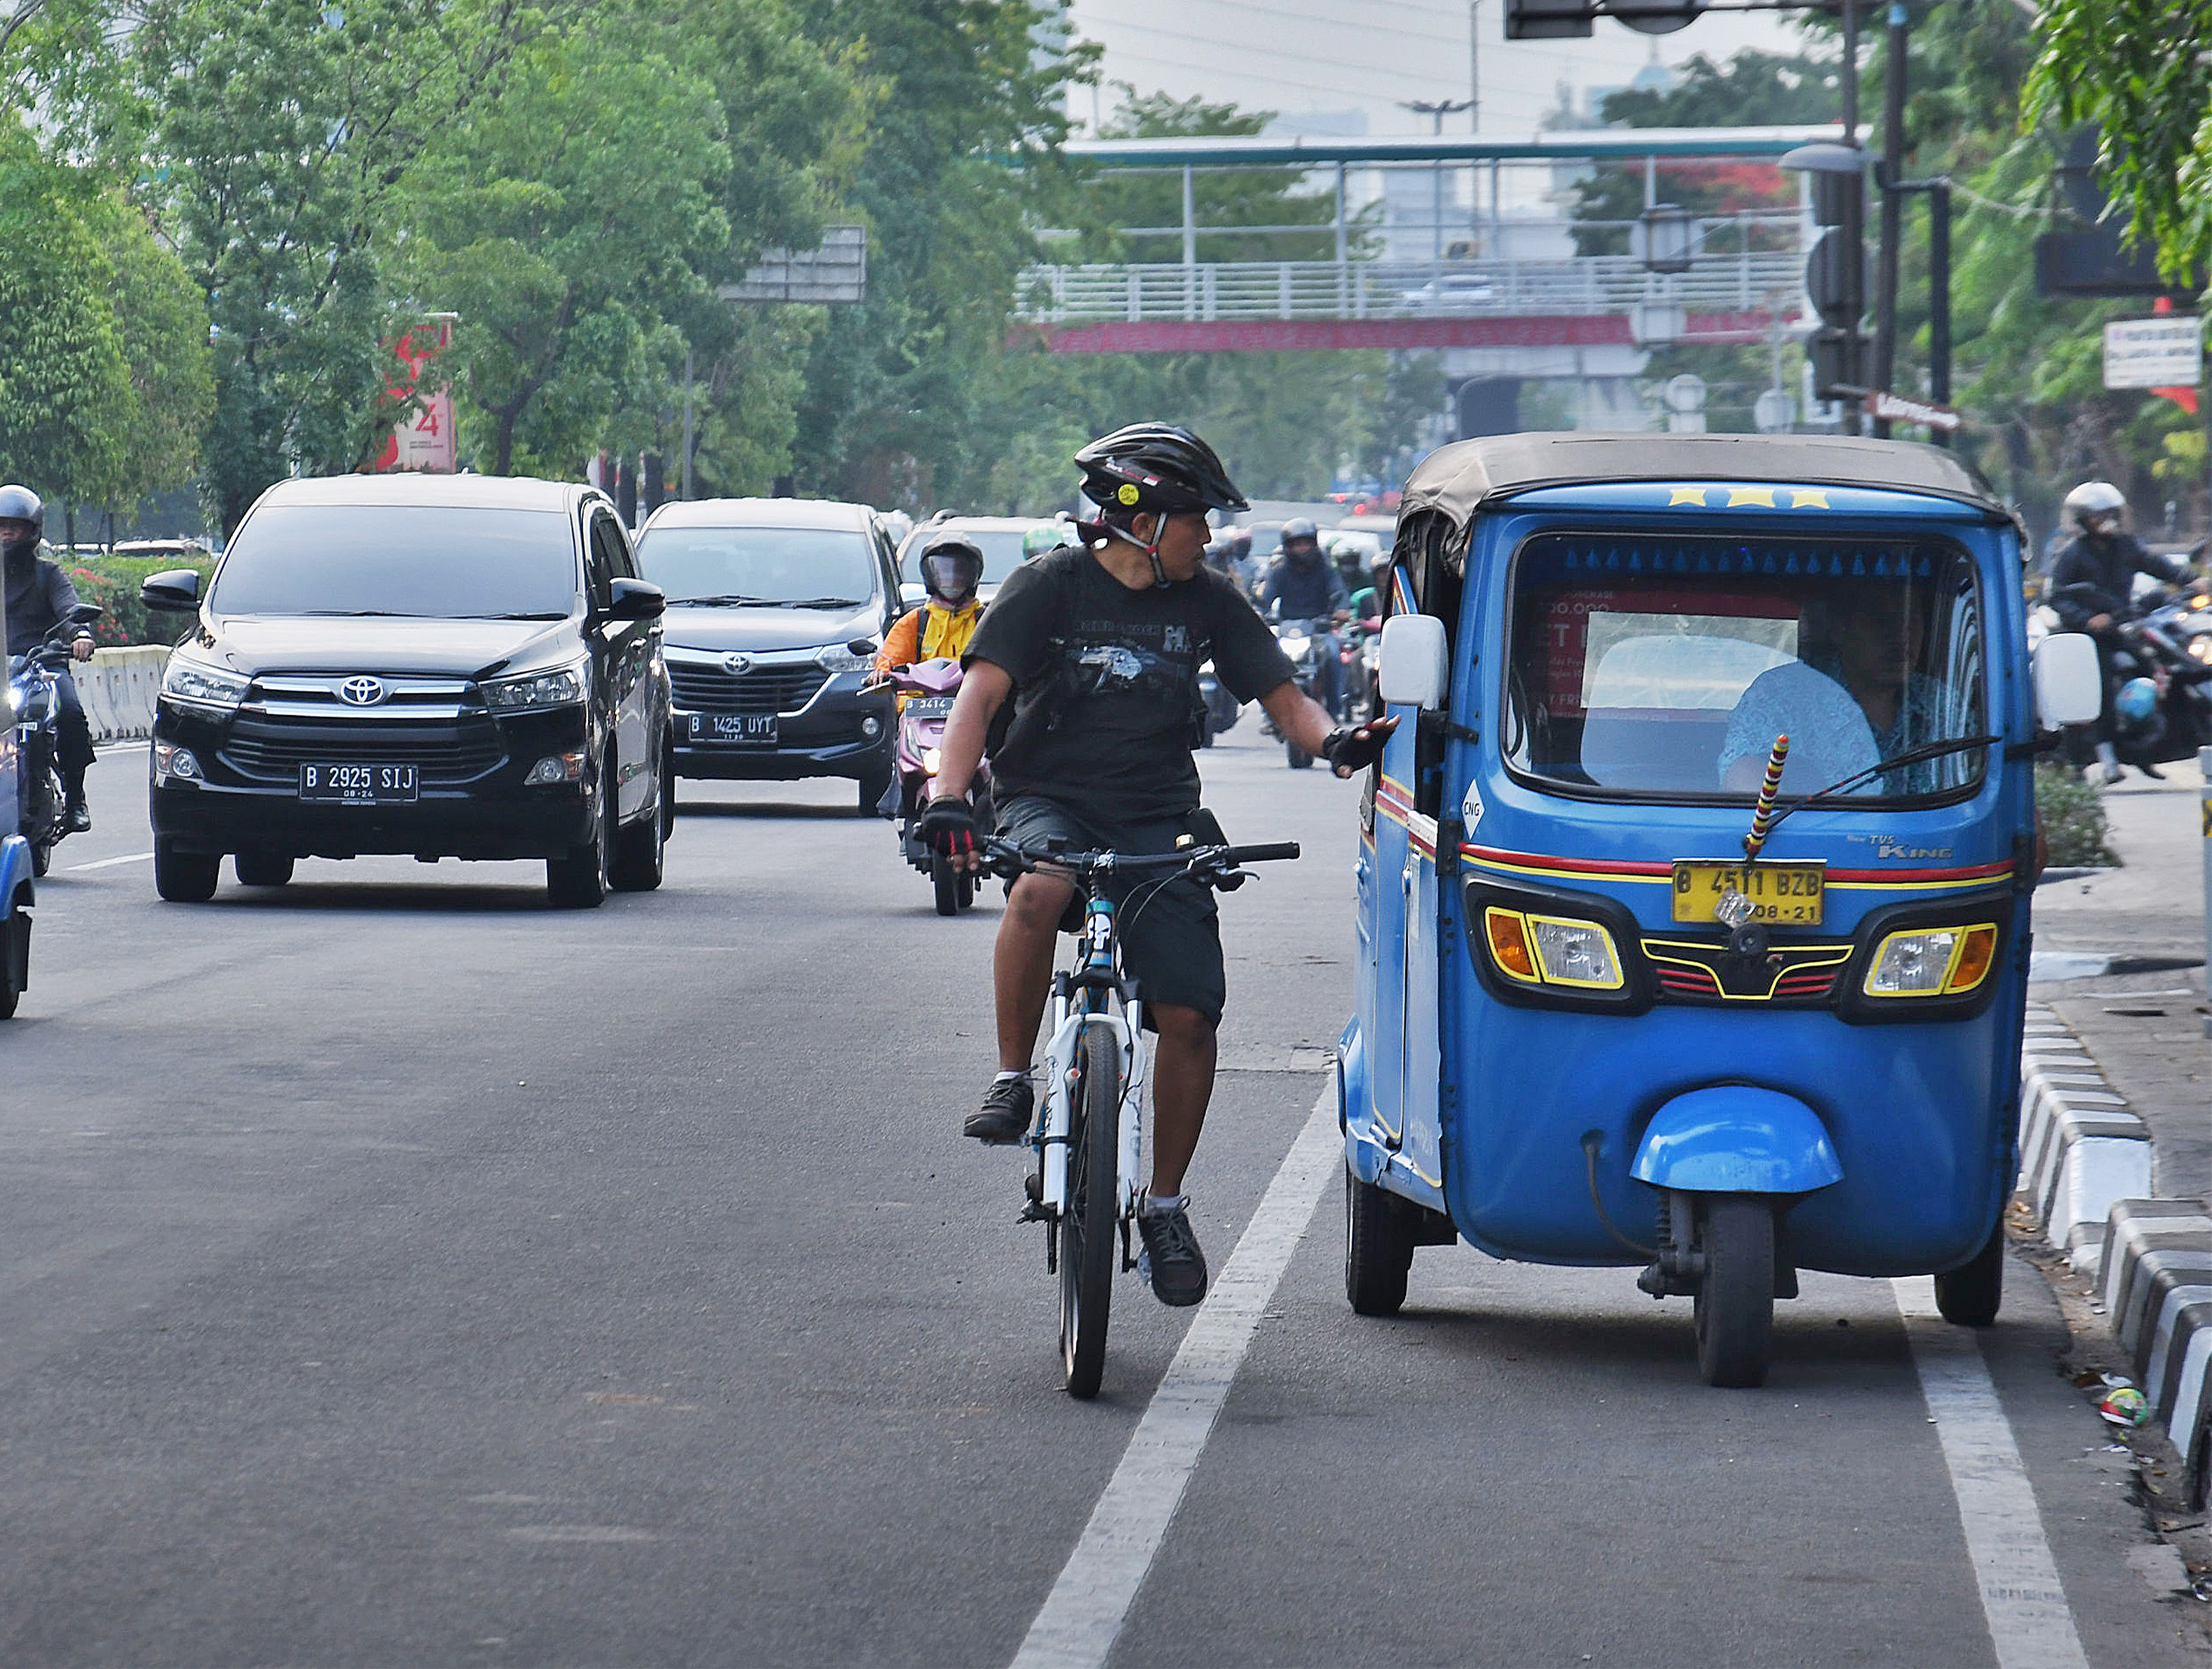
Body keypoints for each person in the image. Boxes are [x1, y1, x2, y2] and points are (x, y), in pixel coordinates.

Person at [917, 423, 1394, 1307]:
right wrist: (948, 794)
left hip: (1159, 816)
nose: (1207, 537)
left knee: (1190, 1013)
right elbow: (980, 693)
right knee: (1039, 887)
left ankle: (1165, 1205)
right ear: (1141, 518)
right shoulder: (1048, 586)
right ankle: (1014, 1077)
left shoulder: (1205, 599)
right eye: (1196, 519)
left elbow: (1282, 696)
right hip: (1048, 799)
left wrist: (1335, 741)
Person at [1717, 586, 1946, 798]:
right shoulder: (1782, 694)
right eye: (1881, 621)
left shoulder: (1944, 703)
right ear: (1839, 629)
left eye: (1911, 620)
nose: (1901, 637)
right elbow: (1743, 773)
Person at [2046, 481, 2195, 781]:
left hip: (2124, 626)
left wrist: (2190, 580)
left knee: (2153, 668)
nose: (2107, 521)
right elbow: (2058, 596)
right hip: (2089, 636)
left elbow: (2156, 564)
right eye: (2099, 516)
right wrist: (2088, 619)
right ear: (2084, 520)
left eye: (2111, 514)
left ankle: (2145, 747)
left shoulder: (2125, 545)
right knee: (2099, 684)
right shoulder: (2073, 553)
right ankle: (2106, 757)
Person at [1, 485, 96, 831]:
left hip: (43, 665)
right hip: (1, 671)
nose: (7, 533)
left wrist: (80, 634)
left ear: (33, 531)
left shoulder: (48, 574)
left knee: (70, 712)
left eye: (16, 526)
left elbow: (70, 610)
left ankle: (75, 798)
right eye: (1, 525)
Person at [1259, 517, 1350, 719]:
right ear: (1287, 547)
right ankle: (1267, 713)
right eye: (1297, 544)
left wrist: (1342, 610)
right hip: (1285, 632)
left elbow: (1340, 593)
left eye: (1306, 543)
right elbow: (1265, 599)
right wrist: (1258, 612)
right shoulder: (1278, 573)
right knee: (1265, 659)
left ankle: (1335, 712)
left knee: (1334, 657)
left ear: (1314, 544)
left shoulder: (1326, 571)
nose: (1303, 549)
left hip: (1319, 631)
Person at [874, 532, 985, 680]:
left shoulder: (986, 621)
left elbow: (1004, 665)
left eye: (959, 572)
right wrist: (881, 673)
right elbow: (889, 661)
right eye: (943, 572)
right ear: (930, 575)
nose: (950, 578)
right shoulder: (915, 621)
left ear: (972, 576)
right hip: (917, 700)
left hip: (971, 701)